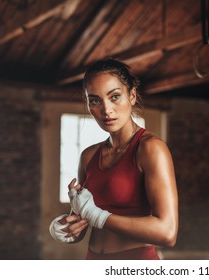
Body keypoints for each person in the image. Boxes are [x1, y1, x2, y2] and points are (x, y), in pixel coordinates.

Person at [49, 58, 178, 260]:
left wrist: (98, 216)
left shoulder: (151, 148)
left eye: (114, 97)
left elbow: (167, 233)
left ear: (132, 95)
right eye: (95, 100)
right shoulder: (88, 156)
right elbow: (84, 223)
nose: (106, 110)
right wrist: (65, 228)